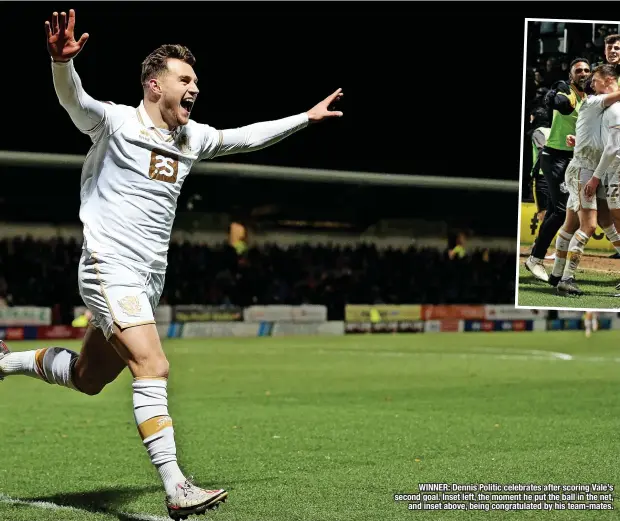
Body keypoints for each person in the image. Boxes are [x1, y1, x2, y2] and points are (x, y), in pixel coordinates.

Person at [0, 9, 343, 520]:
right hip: (107, 266)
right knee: (153, 365)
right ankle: (176, 485)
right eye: (186, 80)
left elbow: (245, 136)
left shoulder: (193, 138)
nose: (195, 88)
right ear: (154, 85)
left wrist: (304, 119)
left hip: (146, 279)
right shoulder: (115, 122)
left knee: (89, 377)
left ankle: (5, 361)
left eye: (197, 81)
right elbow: (74, 100)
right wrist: (60, 64)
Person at [549, 65, 620, 296]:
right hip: (585, 171)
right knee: (588, 225)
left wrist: (577, 140)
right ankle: (567, 279)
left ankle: (556, 274)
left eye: (595, 80)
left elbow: (596, 137)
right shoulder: (593, 101)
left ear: (607, 80)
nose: (591, 84)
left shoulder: (601, 108)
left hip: (584, 168)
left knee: (576, 225)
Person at [525, 58, 591, 282]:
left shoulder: (588, 98)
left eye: (586, 70)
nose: (583, 73)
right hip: (554, 157)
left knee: (557, 209)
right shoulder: (566, 88)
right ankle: (535, 258)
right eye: (578, 70)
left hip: (572, 159)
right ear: (572, 75)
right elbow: (559, 101)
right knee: (562, 209)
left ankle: (550, 269)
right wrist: (560, 99)